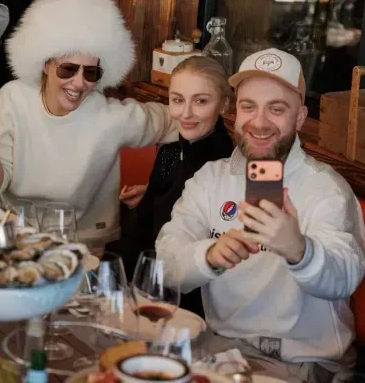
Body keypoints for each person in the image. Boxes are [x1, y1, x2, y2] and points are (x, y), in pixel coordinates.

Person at [156, 48, 365, 382]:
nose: (259, 122)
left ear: (300, 117)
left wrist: (299, 249)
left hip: (303, 365)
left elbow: (344, 277)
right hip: (221, 352)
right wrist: (209, 256)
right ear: (236, 111)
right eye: (248, 106)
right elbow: (165, 267)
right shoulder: (210, 179)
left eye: (277, 109)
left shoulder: (326, 188)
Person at [0, 0, 178, 249]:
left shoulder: (109, 116)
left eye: (90, 73)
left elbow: (177, 120)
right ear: (46, 64)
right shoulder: (13, 99)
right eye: (68, 69)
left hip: (80, 245)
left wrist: (157, 186)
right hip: (13, 238)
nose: (79, 83)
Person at [121, 57, 234, 298]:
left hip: (189, 297)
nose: (186, 113)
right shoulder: (170, 153)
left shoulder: (224, 168)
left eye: (201, 101)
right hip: (146, 283)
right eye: (178, 100)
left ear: (224, 104)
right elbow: (143, 231)